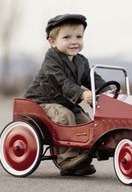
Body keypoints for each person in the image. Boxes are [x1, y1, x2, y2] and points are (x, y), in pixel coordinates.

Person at [24, 14, 109, 176]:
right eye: (67, 37)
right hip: (42, 101)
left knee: (86, 122)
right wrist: (82, 93)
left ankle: (81, 158)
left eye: (79, 36)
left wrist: (107, 91)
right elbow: (61, 81)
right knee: (64, 117)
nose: (74, 41)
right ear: (52, 41)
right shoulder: (52, 58)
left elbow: (92, 79)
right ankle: (67, 159)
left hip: (65, 101)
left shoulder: (81, 61)